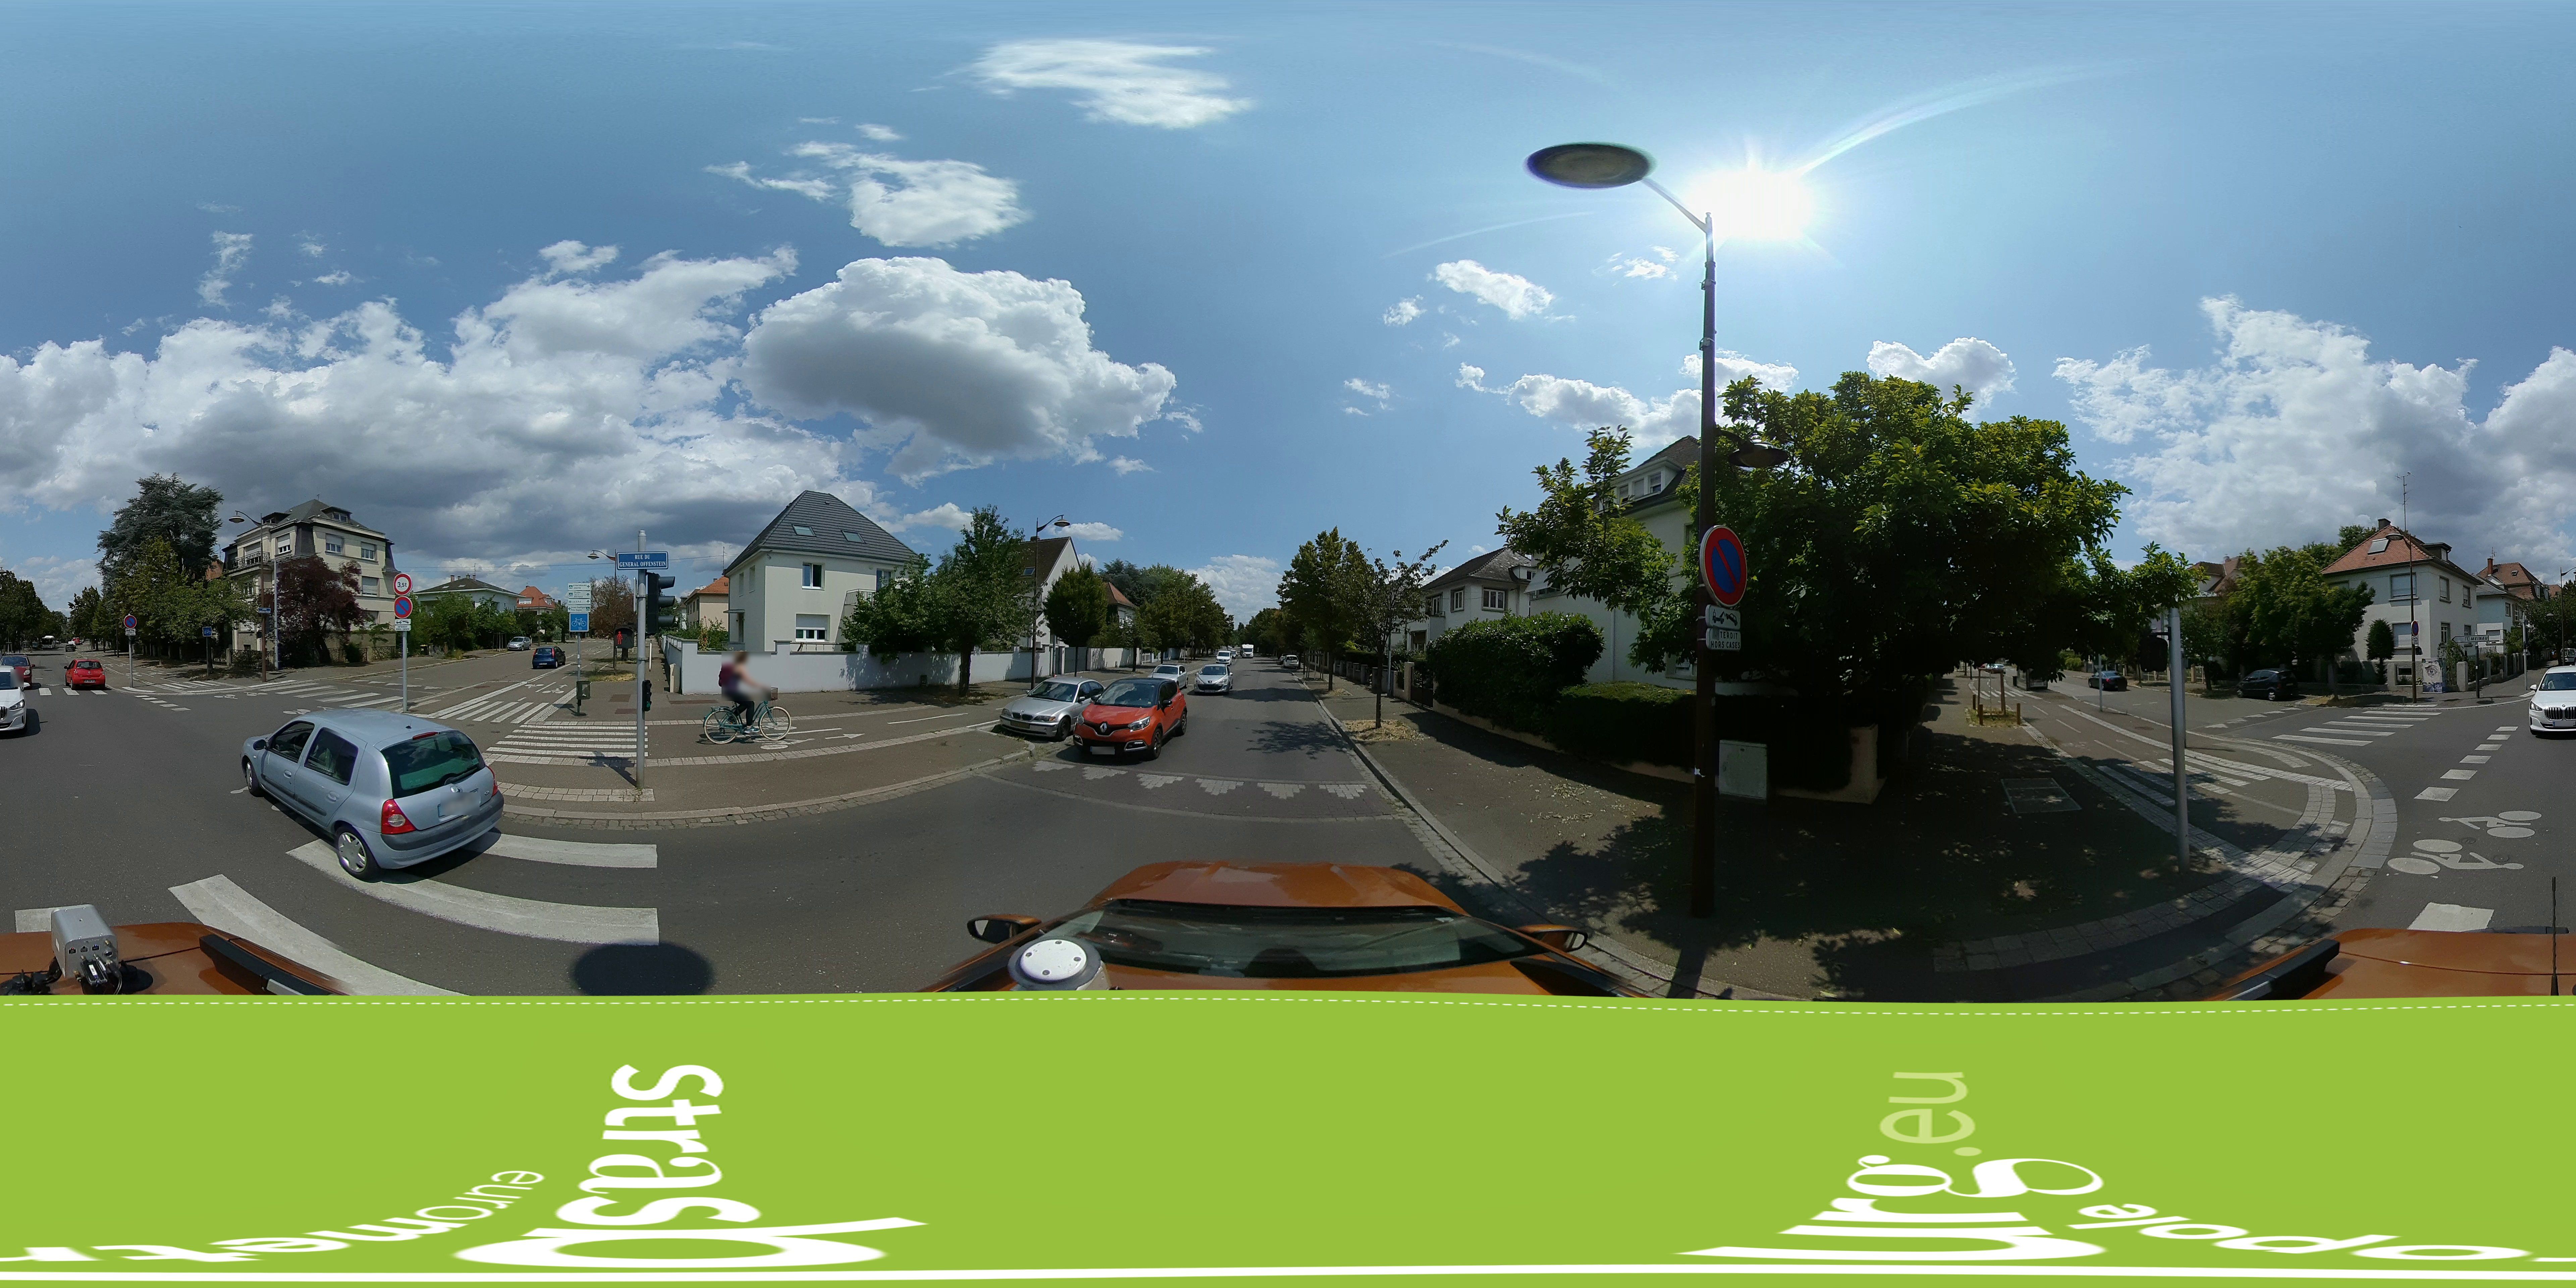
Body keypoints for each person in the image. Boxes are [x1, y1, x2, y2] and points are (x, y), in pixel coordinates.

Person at [718, 651, 769, 727]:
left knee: (746, 703)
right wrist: (761, 686)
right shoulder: (740, 667)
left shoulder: (734, 665)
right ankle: (749, 727)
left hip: (729, 691)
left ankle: (732, 718)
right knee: (751, 704)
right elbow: (748, 680)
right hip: (733, 692)